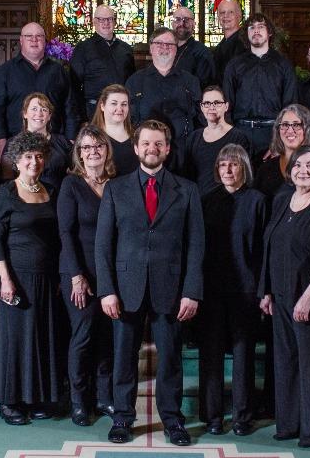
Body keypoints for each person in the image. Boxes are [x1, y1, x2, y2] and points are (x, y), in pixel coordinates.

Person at [95, 120, 204, 446]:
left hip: (170, 289)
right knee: (123, 358)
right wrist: (107, 289)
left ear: (167, 149)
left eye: (158, 144)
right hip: (125, 289)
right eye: (146, 143)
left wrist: (191, 290)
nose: (152, 149)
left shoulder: (187, 190)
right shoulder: (116, 189)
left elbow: (197, 245)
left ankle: (173, 421)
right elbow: (103, 244)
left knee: (170, 358)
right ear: (136, 147)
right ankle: (122, 419)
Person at [258, 147, 310, 447]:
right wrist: (265, 290)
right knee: (285, 363)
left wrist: (307, 298)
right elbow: (269, 247)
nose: (303, 170)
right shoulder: (282, 200)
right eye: (298, 165)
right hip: (280, 297)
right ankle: (289, 423)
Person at [0, 131, 63, 425]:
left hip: (46, 276)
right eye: (27, 157)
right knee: (16, 339)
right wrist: (5, 279)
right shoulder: (6, 193)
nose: (34, 161)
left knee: (42, 336)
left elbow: (58, 238)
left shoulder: (51, 190)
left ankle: (36, 399)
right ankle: (9, 402)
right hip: (17, 276)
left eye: (38, 156)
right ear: (16, 161)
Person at [199, 144, 266, 436]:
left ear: (244, 168)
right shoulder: (206, 200)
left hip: (246, 291)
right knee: (211, 354)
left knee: (243, 355)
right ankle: (212, 416)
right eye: (223, 164)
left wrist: (263, 290)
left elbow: (264, 249)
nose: (227, 170)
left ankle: (242, 416)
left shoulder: (257, 201)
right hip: (212, 290)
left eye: (234, 164)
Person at [58, 125, 117, 427]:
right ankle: (80, 402)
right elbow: (65, 233)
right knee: (82, 337)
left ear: (107, 150)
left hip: (109, 276)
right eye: (87, 147)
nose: (93, 151)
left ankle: (104, 397)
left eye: (98, 146)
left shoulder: (117, 185)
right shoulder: (71, 185)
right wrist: (76, 275)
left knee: (106, 338)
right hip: (78, 273)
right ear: (79, 153)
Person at [0, 22, 79, 164]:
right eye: (29, 36)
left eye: (39, 36)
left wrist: (70, 141)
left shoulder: (59, 70)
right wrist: (2, 144)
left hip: (54, 146)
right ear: (21, 40)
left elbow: (70, 107)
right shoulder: (5, 71)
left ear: (45, 40)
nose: (34, 40)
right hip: (17, 144)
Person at [125, 27, 202, 173]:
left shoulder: (191, 81)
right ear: (151, 48)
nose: (164, 48)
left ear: (176, 49)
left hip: (182, 155)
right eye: (159, 43)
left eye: (169, 45)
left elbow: (199, 117)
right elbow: (129, 120)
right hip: (147, 154)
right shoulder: (135, 81)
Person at [223, 13, 298, 160]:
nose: (256, 30)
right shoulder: (234, 65)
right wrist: (231, 137)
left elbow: (290, 107)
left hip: (272, 133)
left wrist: (279, 143)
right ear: (247, 33)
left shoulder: (283, 65)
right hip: (240, 132)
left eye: (261, 26)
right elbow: (227, 104)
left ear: (269, 32)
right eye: (251, 27)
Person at [70, 5, 135, 121]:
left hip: (121, 111)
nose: (106, 23)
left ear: (115, 22)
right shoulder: (83, 48)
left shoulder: (126, 49)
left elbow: (132, 82)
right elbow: (74, 86)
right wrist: (80, 117)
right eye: (101, 19)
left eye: (110, 19)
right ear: (94, 22)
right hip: (93, 111)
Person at [184, 85, 250, 195]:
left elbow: (243, 176)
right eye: (207, 103)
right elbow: (187, 175)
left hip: (226, 201)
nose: (211, 107)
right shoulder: (193, 137)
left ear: (226, 106)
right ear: (201, 107)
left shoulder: (239, 138)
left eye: (217, 103)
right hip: (199, 202)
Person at [0, 93, 72, 189]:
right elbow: (6, 181)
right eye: (34, 109)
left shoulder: (63, 142)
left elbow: (76, 171)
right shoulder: (12, 143)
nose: (39, 114)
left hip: (58, 199)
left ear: (49, 116)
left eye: (44, 110)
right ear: (25, 113)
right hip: (24, 200)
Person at [254, 104, 310, 198]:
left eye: (296, 125)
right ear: (278, 130)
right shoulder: (266, 170)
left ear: (307, 129)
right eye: (285, 125)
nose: (290, 130)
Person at [91, 84, 138, 175]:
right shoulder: (91, 137)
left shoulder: (138, 135)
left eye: (124, 104)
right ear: (102, 106)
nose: (119, 109)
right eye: (114, 103)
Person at [171, 6, 216, 89]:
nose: (181, 24)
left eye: (186, 20)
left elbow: (204, 87)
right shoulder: (167, 48)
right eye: (177, 19)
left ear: (194, 24)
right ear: (172, 24)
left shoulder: (202, 53)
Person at [213, 0, 246, 86]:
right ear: (218, 17)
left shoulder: (245, 44)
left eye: (231, 12)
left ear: (239, 16)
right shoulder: (220, 46)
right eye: (222, 13)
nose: (225, 16)